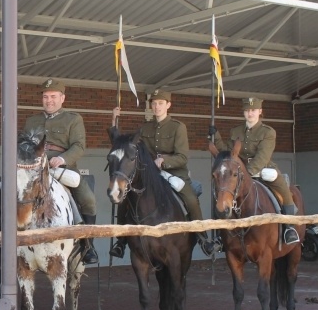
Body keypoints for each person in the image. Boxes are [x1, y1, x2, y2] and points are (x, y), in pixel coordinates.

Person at [110, 89, 219, 258]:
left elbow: (182, 157)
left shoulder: (178, 127)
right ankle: (121, 240)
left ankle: (202, 237)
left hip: (174, 173)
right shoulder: (145, 128)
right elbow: (126, 144)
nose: (156, 107)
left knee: (190, 199)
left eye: (160, 103)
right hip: (151, 175)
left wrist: (164, 161)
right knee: (127, 198)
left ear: (168, 105)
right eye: (153, 103)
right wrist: (114, 121)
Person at [22, 79, 99, 265]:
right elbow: (23, 145)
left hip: (62, 168)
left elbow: (79, 146)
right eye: (46, 96)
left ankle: (87, 243)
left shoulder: (73, 119)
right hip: (34, 169)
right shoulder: (31, 121)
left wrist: (62, 159)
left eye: (53, 96)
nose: (49, 100)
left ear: (62, 98)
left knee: (89, 199)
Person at [211, 96, 300, 245]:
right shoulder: (236, 130)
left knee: (283, 188)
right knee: (223, 192)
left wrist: (249, 172)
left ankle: (289, 227)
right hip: (239, 171)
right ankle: (221, 235)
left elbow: (263, 156)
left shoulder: (268, 132)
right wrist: (216, 136)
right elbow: (227, 152)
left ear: (260, 111)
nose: (250, 113)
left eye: (253, 110)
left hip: (262, 168)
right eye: (247, 111)